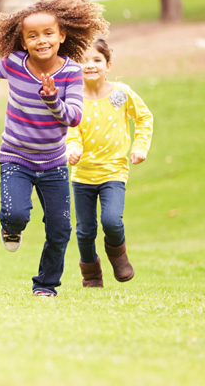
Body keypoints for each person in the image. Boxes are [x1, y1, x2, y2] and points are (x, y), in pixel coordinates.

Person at [0, 0, 108, 297]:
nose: (41, 40)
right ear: (23, 42)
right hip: (15, 157)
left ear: (62, 35)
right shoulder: (13, 64)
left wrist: (52, 102)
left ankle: (46, 285)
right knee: (16, 214)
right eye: (32, 36)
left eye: (48, 33)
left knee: (60, 229)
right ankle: (10, 226)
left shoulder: (72, 74)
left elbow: (74, 117)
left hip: (54, 164)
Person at [67, 39, 152, 288]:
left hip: (113, 172)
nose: (90, 65)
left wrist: (139, 147)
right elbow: (70, 131)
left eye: (96, 60)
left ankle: (118, 256)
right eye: (83, 60)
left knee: (112, 221)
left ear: (108, 65)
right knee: (84, 231)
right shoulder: (73, 100)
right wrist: (72, 149)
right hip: (82, 176)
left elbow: (144, 117)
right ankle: (91, 273)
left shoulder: (120, 93)